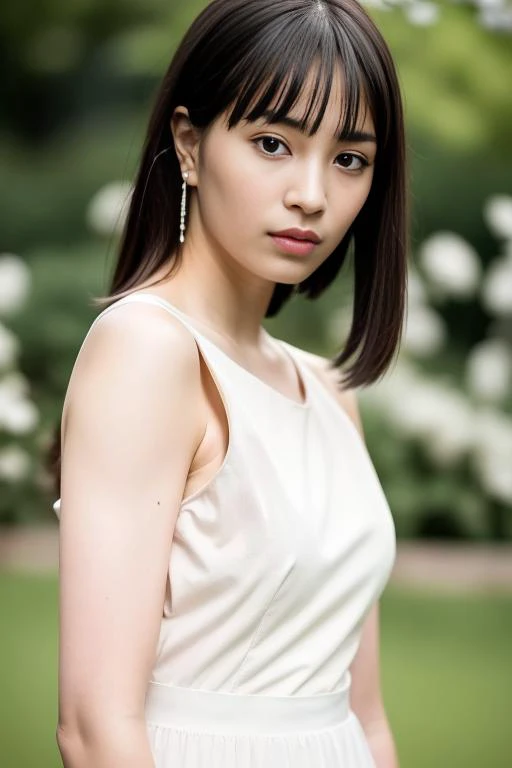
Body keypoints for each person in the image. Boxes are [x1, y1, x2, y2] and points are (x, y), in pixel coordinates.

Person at [51, 0, 407, 765]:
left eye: (350, 158)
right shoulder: (147, 350)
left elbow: (367, 716)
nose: (312, 194)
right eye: (273, 143)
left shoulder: (326, 390)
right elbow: (92, 725)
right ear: (189, 144)